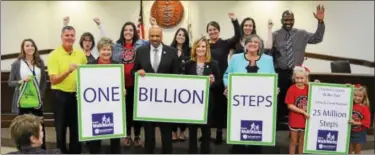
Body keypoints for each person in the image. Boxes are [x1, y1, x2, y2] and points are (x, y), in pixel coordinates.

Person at [269, 5, 325, 131]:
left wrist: (320, 22)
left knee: (297, 100)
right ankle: (275, 127)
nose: (288, 22)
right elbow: (268, 52)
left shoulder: (302, 34)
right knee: (279, 100)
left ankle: (295, 127)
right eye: (286, 20)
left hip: (297, 74)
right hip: (280, 73)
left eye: (290, 20)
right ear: (281, 20)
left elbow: (317, 38)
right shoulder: (275, 35)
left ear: (293, 20)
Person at [223, 34, 275, 154]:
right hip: (239, 102)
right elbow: (227, 75)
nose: (253, 44)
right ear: (245, 45)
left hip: (259, 103)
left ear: (260, 46)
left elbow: (273, 77)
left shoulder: (268, 60)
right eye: (250, 42)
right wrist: (228, 86)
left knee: (256, 130)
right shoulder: (235, 58)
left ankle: (255, 148)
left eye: (256, 42)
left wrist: (274, 88)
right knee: (238, 128)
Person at [132, 25, 181, 154]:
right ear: (148, 36)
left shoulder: (172, 51)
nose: (154, 38)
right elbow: (133, 71)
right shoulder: (141, 51)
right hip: (147, 101)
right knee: (148, 133)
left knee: (166, 133)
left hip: (165, 101)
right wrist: (138, 72)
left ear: (162, 36)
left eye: (157, 36)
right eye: (152, 36)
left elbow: (177, 75)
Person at [47, 26, 87, 154]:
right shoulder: (54, 55)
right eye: (67, 35)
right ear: (61, 37)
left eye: (72, 35)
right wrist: (68, 71)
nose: (69, 38)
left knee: (76, 128)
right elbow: (53, 80)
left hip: (76, 96)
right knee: (61, 128)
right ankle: (61, 152)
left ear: (75, 37)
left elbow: (86, 73)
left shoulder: (80, 54)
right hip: (60, 96)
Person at [206, 12, 241, 144]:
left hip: (220, 80)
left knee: (220, 108)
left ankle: (220, 133)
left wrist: (234, 21)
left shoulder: (225, 43)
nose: (212, 32)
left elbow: (238, 36)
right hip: (207, 80)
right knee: (208, 108)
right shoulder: (204, 44)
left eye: (214, 29)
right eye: (210, 30)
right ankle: (206, 133)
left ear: (218, 31)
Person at [182, 37, 220, 153]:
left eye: (203, 46)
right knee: (192, 131)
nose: (200, 49)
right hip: (192, 102)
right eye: (198, 46)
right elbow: (182, 81)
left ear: (207, 48)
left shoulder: (213, 64)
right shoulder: (188, 64)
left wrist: (212, 82)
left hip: (207, 102)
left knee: (206, 131)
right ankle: (192, 151)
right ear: (194, 48)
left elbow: (218, 83)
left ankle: (205, 151)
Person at [8, 39, 47, 149]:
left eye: (32, 45)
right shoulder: (17, 63)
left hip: (37, 102)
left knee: (40, 127)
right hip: (23, 101)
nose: (30, 47)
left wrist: (41, 97)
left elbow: (43, 82)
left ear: (35, 47)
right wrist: (21, 81)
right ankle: (23, 150)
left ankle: (42, 150)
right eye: (27, 46)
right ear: (23, 48)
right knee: (23, 129)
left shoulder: (40, 62)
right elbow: (10, 82)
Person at [85, 37, 122, 154]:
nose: (106, 52)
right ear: (99, 50)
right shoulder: (90, 65)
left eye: (109, 50)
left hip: (112, 106)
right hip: (95, 107)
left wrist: (123, 90)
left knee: (115, 135)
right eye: (103, 50)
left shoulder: (117, 65)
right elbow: (86, 85)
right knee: (95, 135)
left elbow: (120, 84)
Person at [170, 27, 191, 141]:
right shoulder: (169, 49)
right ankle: (173, 133)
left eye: (183, 35)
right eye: (179, 34)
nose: (181, 37)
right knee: (173, 110)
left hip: (186, 84)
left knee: (184, 110)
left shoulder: (191, 50)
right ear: (175, 36)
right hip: (172, 84)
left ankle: (182, 132)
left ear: (186, 38)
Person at [285, 66, 311, 154]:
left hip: (305, 120)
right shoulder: (292, 89)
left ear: (306, 78)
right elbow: (290, 105)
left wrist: (308, 83)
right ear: (294, 78)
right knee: (293, 141)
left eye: (302, 78)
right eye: (297, 78)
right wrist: (303, 111)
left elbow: (318, 91)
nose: (299, 80)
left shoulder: (309, 88)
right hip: (295, 119)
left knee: (302, 141)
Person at [349, 84, 371, 154]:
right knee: (348, 151)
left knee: (357, 152)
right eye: (355, 95)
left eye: (360, 96)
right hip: (349, 132)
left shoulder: (365, 108)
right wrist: (347, 86)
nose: (357, 98)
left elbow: (367, 122)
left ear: (364, 97)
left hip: (359, 133)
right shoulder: (349, 104)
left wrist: (355, 122)